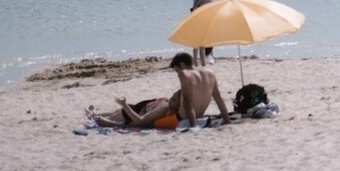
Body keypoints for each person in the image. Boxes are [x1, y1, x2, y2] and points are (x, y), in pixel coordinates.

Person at [86, 53, 231, 130]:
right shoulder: (209, 72)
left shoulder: (184, 74)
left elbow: (187, 102)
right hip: (190, 115)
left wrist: (192, 126)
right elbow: (218, 99)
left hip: (183, 118)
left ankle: (98, 117)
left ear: (181, 65)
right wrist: (227, 120)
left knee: (123, 114)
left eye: (175, 70)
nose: (176, 73)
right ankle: (95, 115)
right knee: (120, 113)